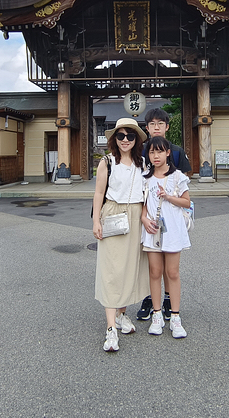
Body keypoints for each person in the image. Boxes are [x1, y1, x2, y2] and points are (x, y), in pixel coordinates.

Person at [92, 117, 150, 352]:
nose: (125, 140)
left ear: (136, 139)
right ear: (114, 139)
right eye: (120, 136)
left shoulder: (143, 163)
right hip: (113, 213)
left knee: (129, 268)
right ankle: (110, 329)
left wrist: (145, 216)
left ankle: (121, 314)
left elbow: (147, 194)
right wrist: (96, 220)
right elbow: (98, 194)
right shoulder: (106, 162)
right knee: (111, 270)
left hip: (136, 216)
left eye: (130, 136)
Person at [136, 107, 191, 322]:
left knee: (170, 262)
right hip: (148, 212)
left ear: (167, 127)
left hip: (172, 216)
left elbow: (184, 184)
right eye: (152, 124)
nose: (156, 127)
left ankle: (169, 299)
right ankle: (151, 298)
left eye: (161, 123)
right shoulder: (139, 151)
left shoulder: (176, 151)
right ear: (147, 128)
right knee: (152, 264)